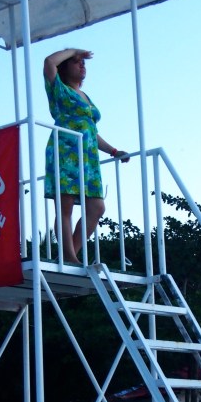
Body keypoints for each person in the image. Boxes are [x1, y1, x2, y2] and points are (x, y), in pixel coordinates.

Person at [43, 48, 129, 264]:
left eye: (83, 62)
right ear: (65, 68)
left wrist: (114, 151)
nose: (82, 65)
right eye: (76, 62)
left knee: (97, 208)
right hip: (66, 151)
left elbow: (91, 132)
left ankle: (69, 253)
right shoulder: (60, 90)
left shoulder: (86, 97)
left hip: (88, 159)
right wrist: (72, 51)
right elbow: (49, 63)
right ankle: (69, 256)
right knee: (65, 207)